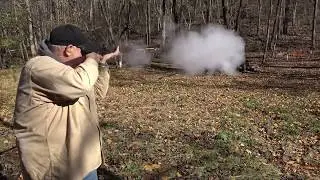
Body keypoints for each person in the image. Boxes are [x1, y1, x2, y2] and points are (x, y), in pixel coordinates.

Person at [13, 24, 120, 180]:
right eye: (82, 51)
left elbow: (97, 92)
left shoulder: (70, 72)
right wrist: (90, 59)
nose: (84, 56)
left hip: (82, 162)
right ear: (69, 49)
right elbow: (81, 83)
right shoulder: (38, 66)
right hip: (57, 170)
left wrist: (102, 64)